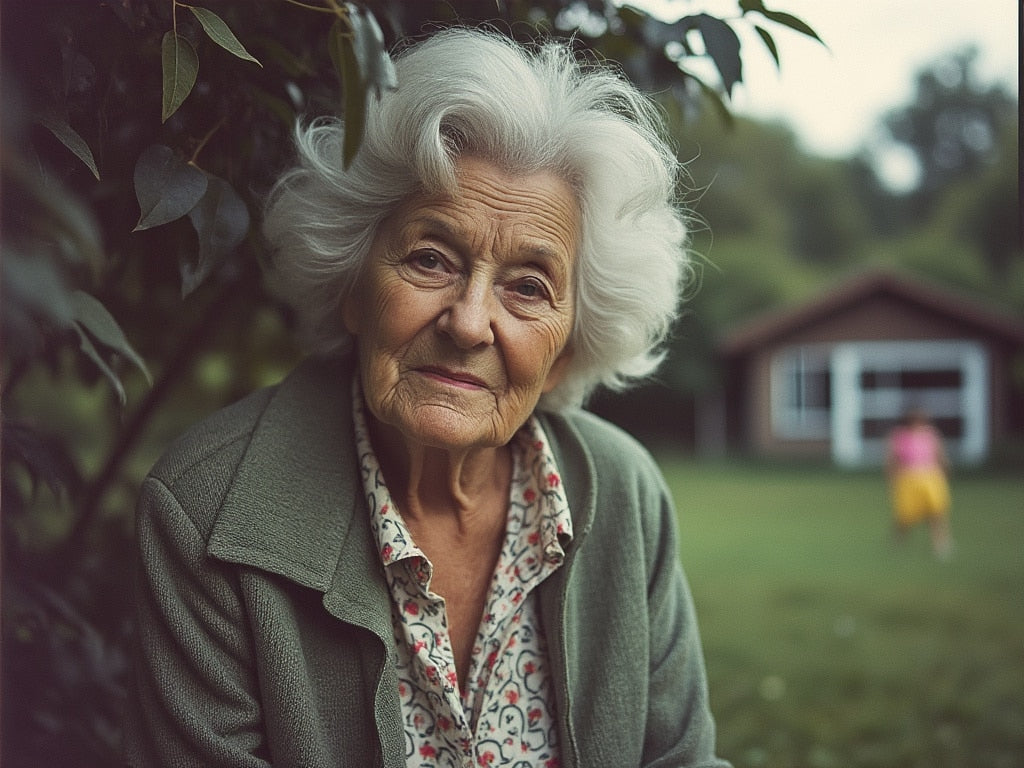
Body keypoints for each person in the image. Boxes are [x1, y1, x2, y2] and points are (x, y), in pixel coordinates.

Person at [124, 27, 730, 768]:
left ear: (568, 348)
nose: (469, 323)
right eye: (431, 259)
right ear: (353, 285)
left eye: (528, 287)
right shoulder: (206, 513)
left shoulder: (626, 494)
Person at [886, 408, 954, 558]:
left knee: (936, 512)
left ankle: (941, 545)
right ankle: (897, 543)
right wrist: (891, 479)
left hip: (931, 477)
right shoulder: (900, 436)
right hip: (907, 478)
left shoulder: (930, 434)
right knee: (905, 515)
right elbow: (892, 459)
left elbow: (940, 455)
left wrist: (946, 469)